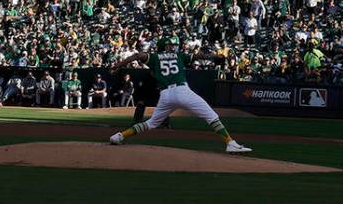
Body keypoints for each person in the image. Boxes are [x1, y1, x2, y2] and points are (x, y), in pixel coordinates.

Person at [108, 39, 251, 153]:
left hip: (165, 95)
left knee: (151, 123)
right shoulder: (178, 55)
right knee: (211, 116)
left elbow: (137, 55)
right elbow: (199, 56)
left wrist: (117, 66)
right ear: (166, 46)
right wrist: (215, 57)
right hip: (182, 91)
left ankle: (119, 136)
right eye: (170, 45)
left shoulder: (155, 57)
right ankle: (230, 143)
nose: (172, 47)